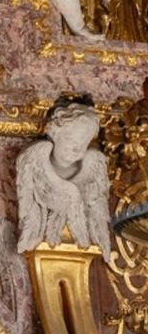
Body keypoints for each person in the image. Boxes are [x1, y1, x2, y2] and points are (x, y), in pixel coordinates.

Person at [16, 95, 111, 259]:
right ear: (54, 132)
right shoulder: (36, 156)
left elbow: (97, 212)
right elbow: (28, 205)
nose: (79, 152)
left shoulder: (92, 163)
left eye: (84, 145)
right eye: (73, 144)